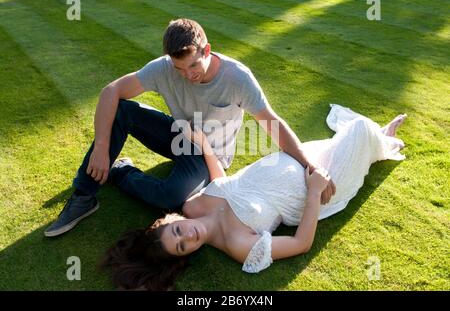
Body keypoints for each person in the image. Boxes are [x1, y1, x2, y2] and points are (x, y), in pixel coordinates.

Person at [44, 18, 336, 237]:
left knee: (170, 198)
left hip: (210, 158)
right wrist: (101, 146)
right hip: (179, 135)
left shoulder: (238, 79)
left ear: (206, 50)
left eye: (193, 66)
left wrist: (308, 164)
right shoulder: (164, 68)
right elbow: (111, 91)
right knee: (122, 109)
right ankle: (83, 195)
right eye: (179, 68)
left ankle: (121, 171)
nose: (187, 75)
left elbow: (273, 124)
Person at [101, 104, 407, 290]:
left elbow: (224, 183)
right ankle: (383, 140)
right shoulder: (238, 246)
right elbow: (301, 244)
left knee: (356, 135)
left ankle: (379, 141)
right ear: (185, 256)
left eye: (177, 231)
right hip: (323, 185)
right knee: (361, 129)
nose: (188, 236)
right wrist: (314, 190)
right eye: (182, 247)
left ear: (172, 220)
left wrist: (204, 145)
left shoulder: (192, 206)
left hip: (304, 159)